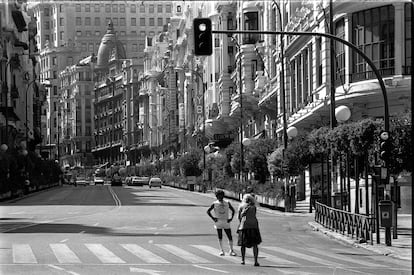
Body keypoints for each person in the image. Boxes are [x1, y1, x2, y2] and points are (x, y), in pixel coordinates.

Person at [207, 189, 237, 256]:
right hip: (218, 221)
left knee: (229, 236)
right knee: (220, 236)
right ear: (216, 196)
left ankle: (231, 250)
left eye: (221, 195)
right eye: (218, 196)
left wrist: (231, 218)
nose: (220, 197)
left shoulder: (227, 202)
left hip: (226, 221)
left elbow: (233, 211)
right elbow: (208, 211)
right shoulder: (215, 203)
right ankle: (221, 250)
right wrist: (213, 218)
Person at [237, 193, 262, 266]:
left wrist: (240, 224)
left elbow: (239, 217)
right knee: (255, 244)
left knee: (243, 244)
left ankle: (243, 260)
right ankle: (255, 261)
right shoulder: (253, 207)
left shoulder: (241, 206)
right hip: (254, 226)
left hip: (244, 226)